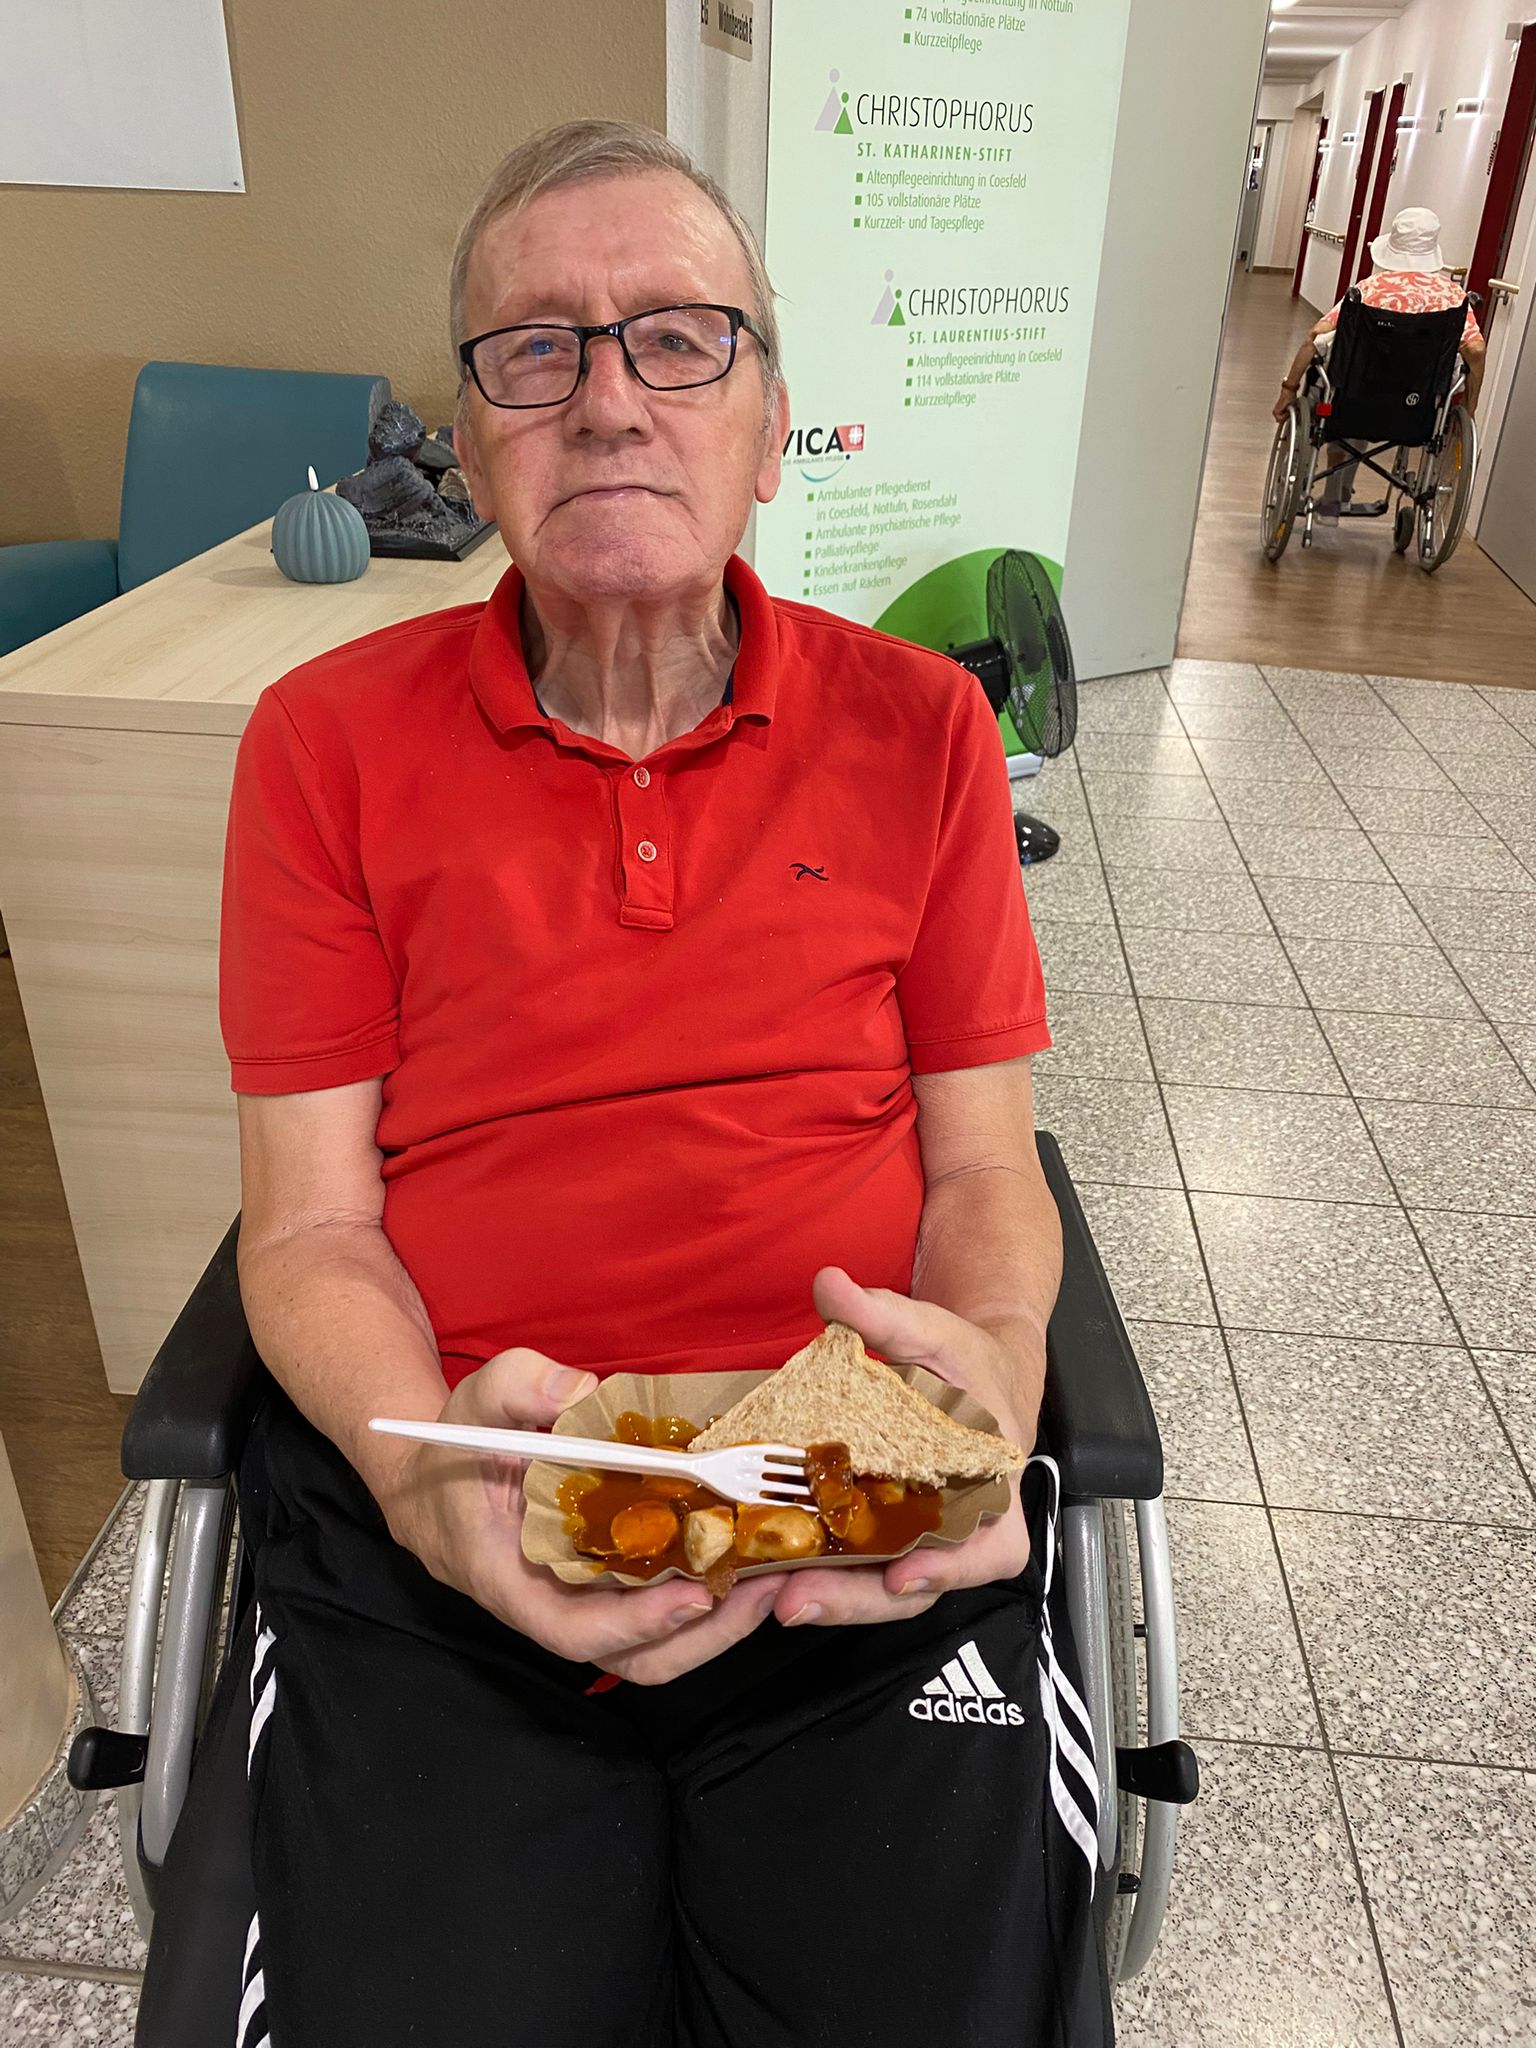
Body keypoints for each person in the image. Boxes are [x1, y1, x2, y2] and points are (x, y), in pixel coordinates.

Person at [147, 121, 1110, 2047]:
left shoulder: (922, 727)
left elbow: (984, 1172)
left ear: (772, 429)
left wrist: (991, 1389)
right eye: (537, 349)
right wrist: (423, 1481)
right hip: (457, 1510)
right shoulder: (325, 745)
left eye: (678, 337)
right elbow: (313, 1221)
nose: (605, 399)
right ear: (468, 438)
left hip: (847, 1509)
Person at [1273, 203, 1487, 425]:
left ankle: (1338, 445)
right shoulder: (1453, 297)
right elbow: (1476, 350)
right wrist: (1470, 407)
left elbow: (1316, 336)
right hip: (1417, 408)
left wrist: (1289, 388)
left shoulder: (1368, 289)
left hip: (1355, 401)